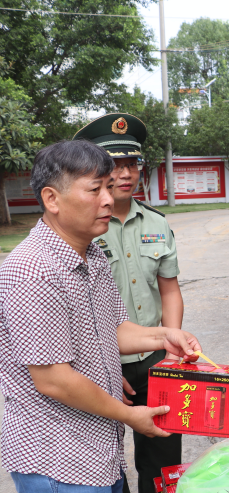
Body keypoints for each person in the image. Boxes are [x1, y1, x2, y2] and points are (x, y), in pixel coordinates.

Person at [0, 139, 201, 493]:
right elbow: (53, 379)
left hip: (98, 452)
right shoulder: (32, 270)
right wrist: (130, 416)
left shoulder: (91, 254)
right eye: (95, 190)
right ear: (52, 199)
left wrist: (164, 336)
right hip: (58, 462)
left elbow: (114, 329)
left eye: (108, 188)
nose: (108, 199)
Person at [73, 114, 184, 493]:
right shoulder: (81, 230)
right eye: (112, 165)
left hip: (155, 357)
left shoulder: (157, 223)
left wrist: (171, 348)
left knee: (164, 456)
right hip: (99, 363)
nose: (124, 173)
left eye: (131, 163)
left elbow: (169, 290)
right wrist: (102, 364)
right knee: (101, 460)